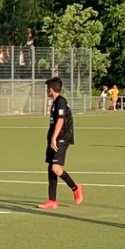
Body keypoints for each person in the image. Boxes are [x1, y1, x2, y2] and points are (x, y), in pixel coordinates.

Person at [40, 75, 81, 208]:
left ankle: (75, 188)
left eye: (47, 88)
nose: (47, 90)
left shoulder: (61, 101)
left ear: (51, 89)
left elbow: (61, 120)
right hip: (54, 137)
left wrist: (54, 137)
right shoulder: (55, 102)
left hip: (61, 138)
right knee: (51, 168)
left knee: (56, 168)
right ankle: (52, 200)